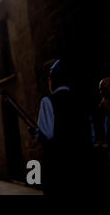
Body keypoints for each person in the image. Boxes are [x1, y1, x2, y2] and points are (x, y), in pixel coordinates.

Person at [36, 60, 90, 195]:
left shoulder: (47, 101)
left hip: (57, 174)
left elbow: (47, 134)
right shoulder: (81, 102)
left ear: (51, 80)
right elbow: (91, 135)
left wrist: (38, 133)